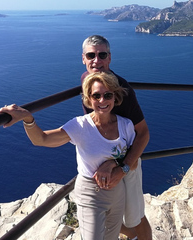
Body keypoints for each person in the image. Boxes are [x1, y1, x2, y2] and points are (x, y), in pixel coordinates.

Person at [0, 72, 134, 240]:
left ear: (115, 96)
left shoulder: (125, 125)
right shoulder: (81, 126)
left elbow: (132, 161)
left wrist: (113, 164)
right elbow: (42, 139)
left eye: (107, 95)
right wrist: (27, 118)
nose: (102, 101)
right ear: (88, 98)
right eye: (96, 95)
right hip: (91, 193)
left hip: (117, 190)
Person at [81, 35, 152, 240]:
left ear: (109, 58)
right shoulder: (87, 81)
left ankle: (136, 234)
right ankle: (130, 235)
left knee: (135, 217)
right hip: (101, 163)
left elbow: (144, 133)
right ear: (83, 59)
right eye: (91, 55)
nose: (97, 60)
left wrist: (122, 167)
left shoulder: (122, 89)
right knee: (107, 211)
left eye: (102, 55)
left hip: (126, 162)